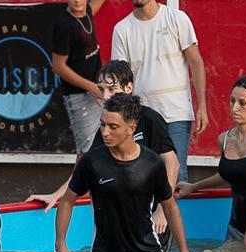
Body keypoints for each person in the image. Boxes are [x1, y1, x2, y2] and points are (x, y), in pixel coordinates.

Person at [54, 93, 189, 252]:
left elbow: (170, 208)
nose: (105, 132)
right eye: (102, 125)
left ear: (131, 128)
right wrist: (61, 244)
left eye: (113, 127)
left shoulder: (152, 163)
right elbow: (67, 201)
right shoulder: (92, 162)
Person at [28, 59, 177, 216]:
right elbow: (86, 167)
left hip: (153, 212)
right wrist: (56, 195)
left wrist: (162, 210)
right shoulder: (105, 129)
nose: (105, 96)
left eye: (112, 89)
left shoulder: (150, 119)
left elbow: (172, 164)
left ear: (128, 88)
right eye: (101, 89)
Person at [177, 75, 246, 248]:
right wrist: (193, 187)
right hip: (237, 228)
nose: (235, 108)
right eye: (232, 101)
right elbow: (228, 174)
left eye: (242, 103)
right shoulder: (224, 139)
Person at [111, 0, 208, 182]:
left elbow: (196, 62)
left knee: (177, 176)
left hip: (176, 114)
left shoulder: (177, 18)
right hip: (142, 116)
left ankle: (173, 212)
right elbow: (120, 78)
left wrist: (202, 106)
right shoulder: (122, 29)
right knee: (141, 176)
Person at [52, 0, 108, 157]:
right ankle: (75, 183)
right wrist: (91, 87)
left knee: (98, 146)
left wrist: (96, 87)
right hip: (78, 96)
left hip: (96, 91)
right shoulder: (64, 24)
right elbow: (58, 66)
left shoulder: (87, 11)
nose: (77, 0)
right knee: (86, 151)